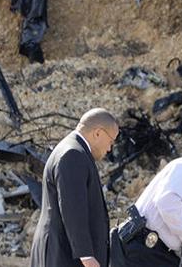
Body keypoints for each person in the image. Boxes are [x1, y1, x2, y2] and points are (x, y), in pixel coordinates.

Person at [29, 108, 119, 267]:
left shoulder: (73, 150)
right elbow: (72, 207)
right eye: (111, 141)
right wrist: (86, 254)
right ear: (98, 133)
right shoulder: (73, 154)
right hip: (64, 255)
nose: (109, 148)